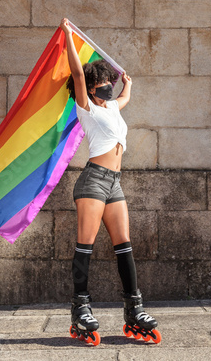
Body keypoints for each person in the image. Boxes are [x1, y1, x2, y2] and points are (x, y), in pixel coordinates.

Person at [60, 18, 158, 343]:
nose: (107, 84)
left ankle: (134, 310)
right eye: (101, 80)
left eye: (107, 80)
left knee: (124, 247)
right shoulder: (86, 108)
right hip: (92, 182)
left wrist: (128, 82)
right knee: (84, 247)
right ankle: (80, 308)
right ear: (90, 87)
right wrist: (69, 37)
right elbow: (77, 73)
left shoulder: (113, 106)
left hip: (114, 182)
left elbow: (125, 97)